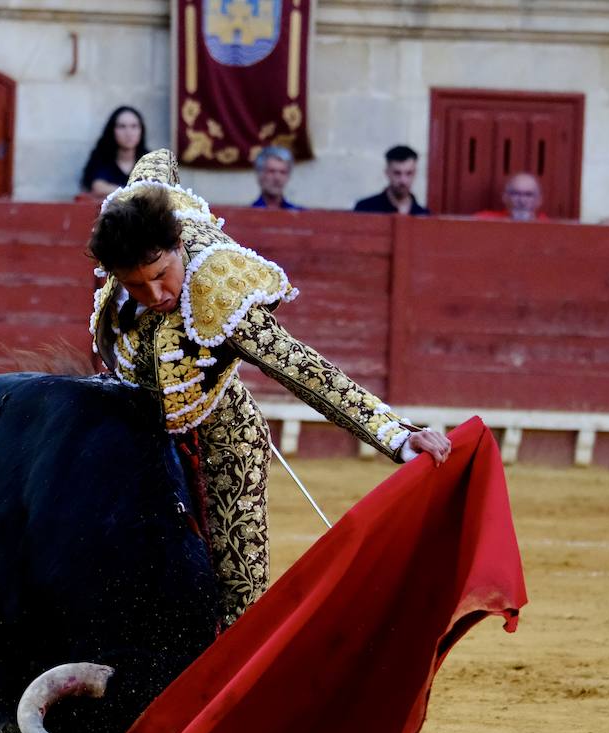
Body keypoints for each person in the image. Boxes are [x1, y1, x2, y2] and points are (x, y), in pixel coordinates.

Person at [87, 149, 451, 627]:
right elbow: (158, 159)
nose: (155, 297)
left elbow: (302, 369)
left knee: (240, 596)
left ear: (177, 245)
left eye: (160, 276)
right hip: (132, 421)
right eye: (135, 287)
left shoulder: (216, 288)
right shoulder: (136, 210)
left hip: (221, 434)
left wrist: (399, 435)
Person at [80, 106, 150, 196]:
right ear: (112, 130)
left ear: (141, 130)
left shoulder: (150, 160)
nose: (128, 133)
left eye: (134, 126)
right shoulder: (102, 158)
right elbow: (97, 186)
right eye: (122, 126)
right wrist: (133, 192)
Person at [354, 145, 430, 215]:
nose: (403, 180)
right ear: (387, 173)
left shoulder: (423, 215)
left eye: (409, 173)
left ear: (415, 174)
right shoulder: (365, 209)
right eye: (397, 173)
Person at [473, 173, 549, 221]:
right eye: (516, 194)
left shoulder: (548, 226)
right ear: (505, 197)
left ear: (539, 200)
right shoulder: (484, 220)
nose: (522, 200)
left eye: (528, 195)